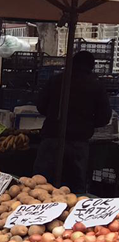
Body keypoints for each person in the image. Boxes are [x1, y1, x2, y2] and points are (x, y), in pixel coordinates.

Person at [34, 51, 112, 193]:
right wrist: (87, 123)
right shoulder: (96, 85)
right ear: (91, 66)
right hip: (78, 142)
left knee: (41, 186)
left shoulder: (56, 80)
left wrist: (55, 116)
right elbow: (104, 117)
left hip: (51, 137)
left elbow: (40, 105)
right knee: (75, 188)